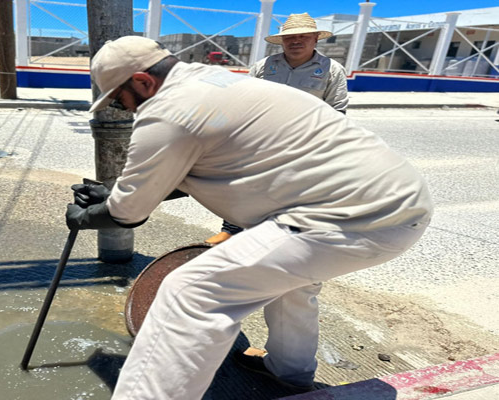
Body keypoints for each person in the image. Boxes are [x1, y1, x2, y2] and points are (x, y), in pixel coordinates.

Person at [66, 35, 432, 398]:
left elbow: (129, 213)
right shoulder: (218, 81)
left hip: (345, 215)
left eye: (118, 99)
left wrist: (87, 215)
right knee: (291, 283)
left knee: (191, 291)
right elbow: (203, 168)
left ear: (143, 82)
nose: (123, 109)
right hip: (398, 201)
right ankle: (289, 375)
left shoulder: (166, 111)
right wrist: (115, 192)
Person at [207, 12, 349, 245]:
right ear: (282, 41)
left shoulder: (331, 70)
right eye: (289, 37)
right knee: (242, 185)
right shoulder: (264, 67)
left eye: (303, 36)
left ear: (315, 39)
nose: (296, 41)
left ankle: (286, 238)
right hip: (262, 140)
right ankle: (231, 229)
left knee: (294, 191)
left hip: (306, 143)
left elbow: (338, 111)